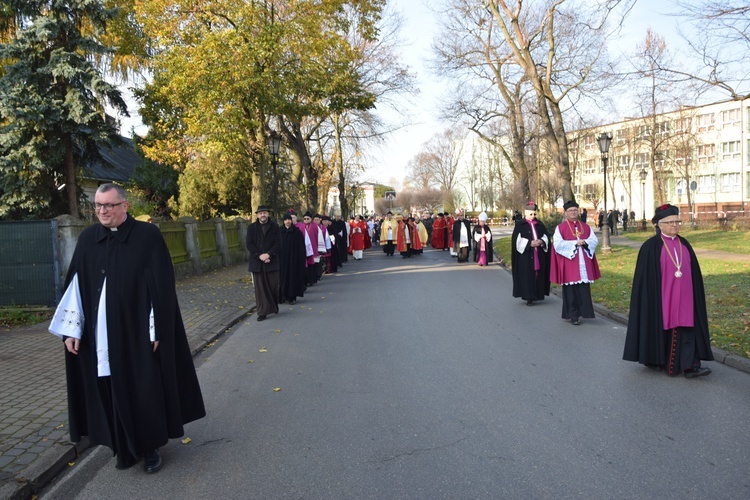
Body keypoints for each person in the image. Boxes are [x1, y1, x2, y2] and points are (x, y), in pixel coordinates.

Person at [48, 183, 205, 473]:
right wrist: (71, 330)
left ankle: (150, 448)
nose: (102, 211)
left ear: (125, 206)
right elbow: (75, 288)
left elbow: (161, 286)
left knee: (142, 389)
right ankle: (121, 446)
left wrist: (157, 328)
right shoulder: (87, 239)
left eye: (108, 205)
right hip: (99, 337)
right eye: (97, 206)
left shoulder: (147, 237)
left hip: (136, 334)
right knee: (108, 388)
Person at [622, 204, 713, 377]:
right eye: (670, 222)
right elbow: (644, 280)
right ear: (659, 224)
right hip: (661, 297)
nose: (675, 225)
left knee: (687, 327)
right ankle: (660, 361)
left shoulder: (684, 243)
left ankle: (690, 366)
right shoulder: (650, 247)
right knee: (663, 329)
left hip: (686, 297)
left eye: (677, 222)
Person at [549, 200, 601, 325]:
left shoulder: (586, 226)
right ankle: (573, 315)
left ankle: (584, 312)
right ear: (565, 213)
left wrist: (585, 242)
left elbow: (593, 240)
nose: (573, 212)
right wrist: (574, 243)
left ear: (578, 211)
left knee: (583, 289)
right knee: (571, 291)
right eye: (570, 211)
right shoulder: (560, 228)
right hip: (570, 262)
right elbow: (558, 244)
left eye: (575, 210)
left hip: (583, 261)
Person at [511, 202, 551, 305]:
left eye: (534, 214)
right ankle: (528, 296)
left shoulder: (540, 224)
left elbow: (546, 237)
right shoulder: (520, 225)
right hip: (526, 255)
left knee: (538, 274)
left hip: (539, 253)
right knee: (528, 275)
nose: (533, 216)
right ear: (526, 213)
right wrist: (529, 243)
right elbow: (517, 241)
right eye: (531, 214)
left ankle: (537, 294)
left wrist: (541, 241)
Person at [246, 204, 281, 321]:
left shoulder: (275, 227)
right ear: (257, 215)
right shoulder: (251, 228)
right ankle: (262, 311)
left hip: (272, 261)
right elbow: (249, 244)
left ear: (268, 214)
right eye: (261, 213)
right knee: (260, 288)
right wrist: (260, 255)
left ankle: (273, 306)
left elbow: (278, 244)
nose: (263, 215)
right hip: (257, 263)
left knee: (273, 286)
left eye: (265, 213)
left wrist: (269, 254)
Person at [278, 213, 307, 304]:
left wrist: (301, 258)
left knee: (292, 278)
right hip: (282, 260)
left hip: (294, 259)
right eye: (286, 220)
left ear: (292, 221)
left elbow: (301, 247)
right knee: (282, 278)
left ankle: (292, 297)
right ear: (283, 221)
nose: (287, 222)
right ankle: (283, 296)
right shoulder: (279, 232)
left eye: (289, 220)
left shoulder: (297, 232)